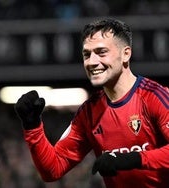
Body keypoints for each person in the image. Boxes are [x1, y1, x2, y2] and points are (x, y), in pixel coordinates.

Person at [15, 18, 169, 188]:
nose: (92, 62)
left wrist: (132, 159)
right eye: (87, 54)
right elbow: (52, 169)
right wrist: (32, 126)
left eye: (101, 52)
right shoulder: (89, 112)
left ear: (126, 54)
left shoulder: (154, 96)